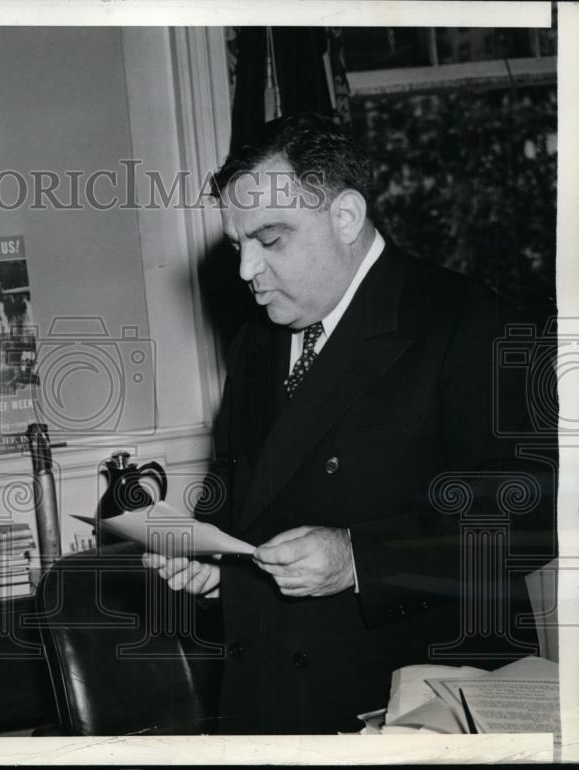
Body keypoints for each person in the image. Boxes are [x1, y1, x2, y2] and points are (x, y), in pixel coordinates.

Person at [143, 112, 556, 734]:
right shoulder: (257, 342)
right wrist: (210, 559)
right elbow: (246, 507)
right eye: (237, 245)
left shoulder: (468, 321)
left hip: (409, 707)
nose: (246, 271)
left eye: (270, 239)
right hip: (271, 705)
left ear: (344, 217)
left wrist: (358, 557)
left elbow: (528, 521)